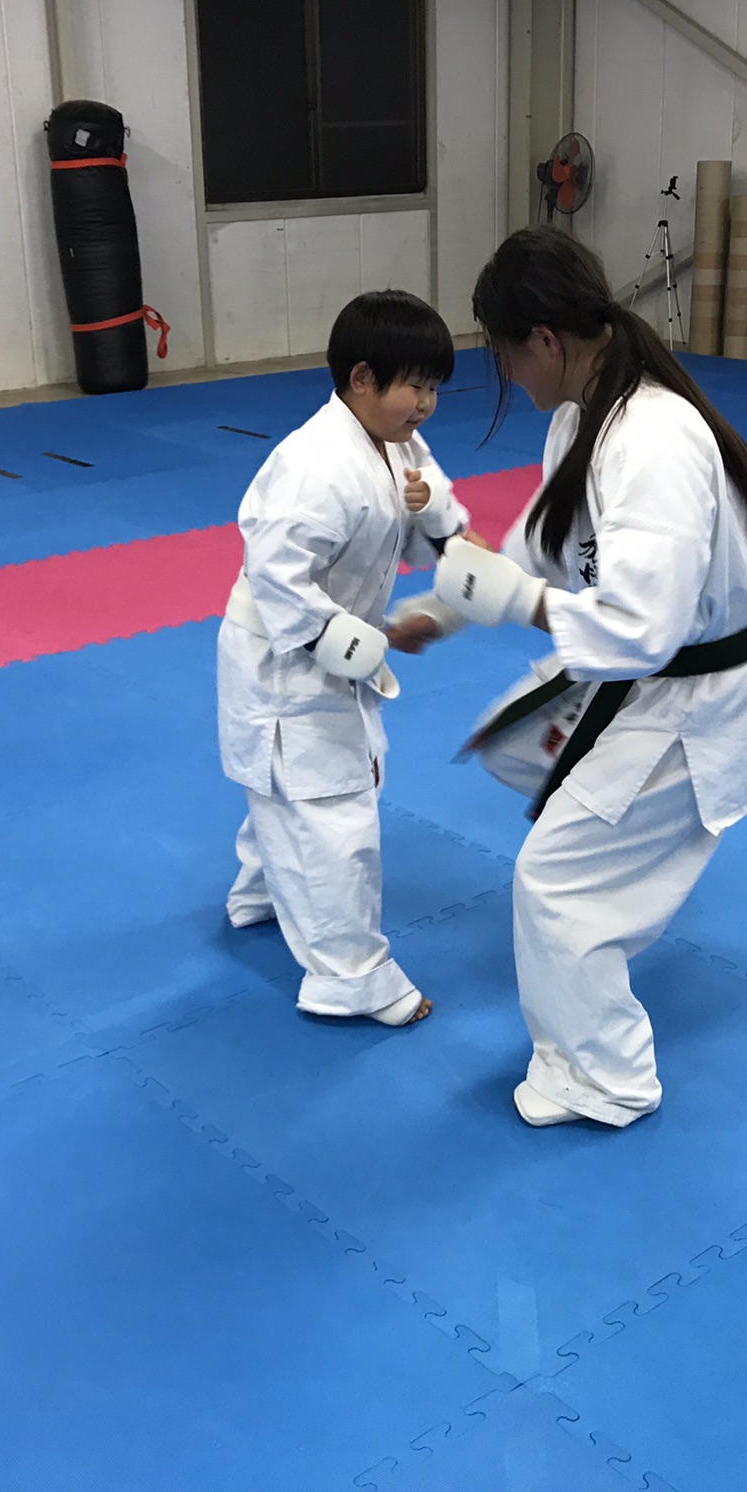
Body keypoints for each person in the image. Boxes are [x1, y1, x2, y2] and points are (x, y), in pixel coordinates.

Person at [425, 227, 747, 1127]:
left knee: (555, 883)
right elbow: (544, 547)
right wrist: (450, 607)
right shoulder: (583, 416)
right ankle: (611, 897)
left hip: (693, 692)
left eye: (505, 354)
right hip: (647, 673)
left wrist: (518, 603)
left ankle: (606, 1078)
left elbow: (640, 626)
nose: (508, 375)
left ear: (544, 340)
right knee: (511, 745)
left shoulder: (652, 441)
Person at [218, 290, 472, 1028]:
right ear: (362, 378)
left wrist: (457, 558)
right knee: (331, 814)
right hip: (287, 655)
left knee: (298, 789)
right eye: (414, 386)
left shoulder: (397, 443)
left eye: (433, 388)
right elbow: (277, 577)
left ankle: (260, 894)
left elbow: (439, 527)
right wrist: (372, 642)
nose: (426, 404)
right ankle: (353, 980)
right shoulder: (313, 467)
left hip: (336, 642)